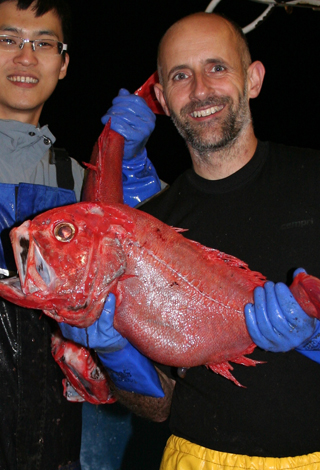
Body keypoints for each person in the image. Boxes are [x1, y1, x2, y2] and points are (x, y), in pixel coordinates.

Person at [59, 11, 320, 470]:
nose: (200, 90)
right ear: (164, 101)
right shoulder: (149, 231)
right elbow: (160, 405)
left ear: (253, 79)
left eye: (217, 67)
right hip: (199, 459)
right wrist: (115, 353)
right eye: (180, 76)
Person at [0, 1, 162, 469]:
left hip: (55, 451)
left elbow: (180, 247)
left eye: (44, 43)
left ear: (63, 63)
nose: (26, 56)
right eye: (8, 39)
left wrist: (136, 175)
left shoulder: (81, 183)